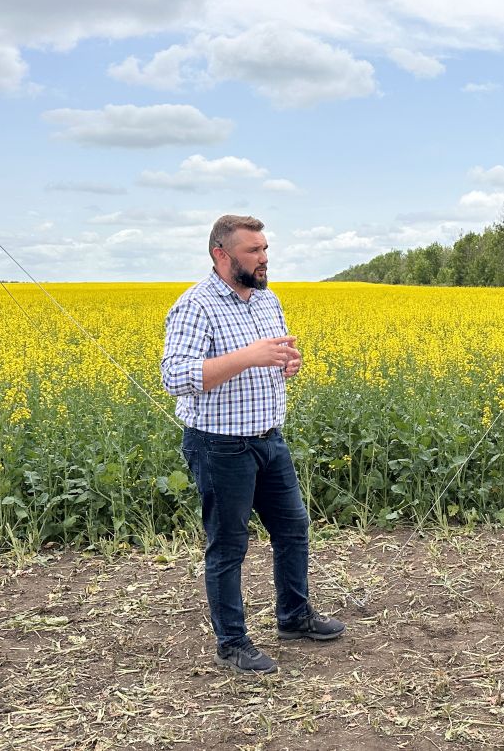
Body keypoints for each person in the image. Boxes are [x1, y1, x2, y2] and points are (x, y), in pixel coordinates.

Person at [161, 214, 344, 675]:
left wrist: (287, 363)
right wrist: (249, 357)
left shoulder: (267, 300)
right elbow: (175, 377)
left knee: (293, 529)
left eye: (265, 249)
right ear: (221, 254)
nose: (264, 259)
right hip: (220, 446)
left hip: (268, 437)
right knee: (228, 546)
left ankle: (294, 617)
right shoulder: (196, 306)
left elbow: (272, 357)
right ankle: (231, 643)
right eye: (253, 251)